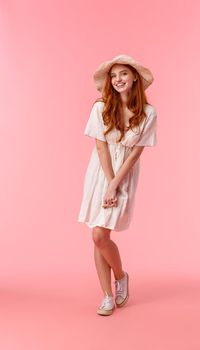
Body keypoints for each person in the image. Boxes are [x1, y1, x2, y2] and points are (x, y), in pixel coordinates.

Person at [77, 54, 157, 316]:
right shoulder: (100, 107)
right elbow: (101, 148)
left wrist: (116, 185)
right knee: (98, 235)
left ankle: (120, 276)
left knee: (102, 235)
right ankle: (108, 295)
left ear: (134, 77)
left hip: (125, 174)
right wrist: (108, 183)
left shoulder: (148, 113)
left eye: (123, 73)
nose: (117, 79)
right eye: (113, 75)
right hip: (101, 172)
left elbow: (135, 154)